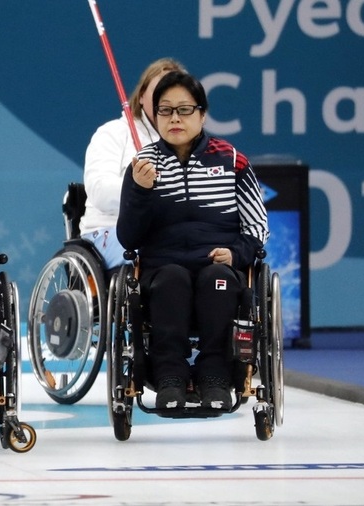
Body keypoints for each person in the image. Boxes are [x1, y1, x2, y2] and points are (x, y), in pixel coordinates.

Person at [117, 71, 269, 410]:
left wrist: (234, 254)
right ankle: (169, 374)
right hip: (163, 267)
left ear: (202, 114)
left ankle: (214, 374)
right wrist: (141, 193)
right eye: (165, 110)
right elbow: (128, 238)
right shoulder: (143, 165)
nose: (174, 118)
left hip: (218, 265)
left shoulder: (232, 160)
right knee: (172, 279)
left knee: (216, 280)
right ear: (154, 117)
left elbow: (257, 229)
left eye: (184, 110)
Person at [81, 57, 186, 270]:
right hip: (109, 230)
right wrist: (141, 188)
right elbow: (99, 191)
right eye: (158, 90)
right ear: (140, 97)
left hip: (167, 234)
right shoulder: (112, 133)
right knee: (160, 256)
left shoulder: (188, 143)